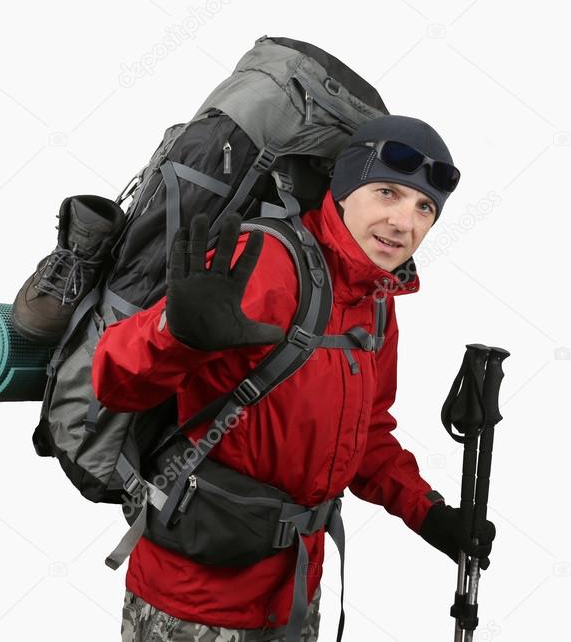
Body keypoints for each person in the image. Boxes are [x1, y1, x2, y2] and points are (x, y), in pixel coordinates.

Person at [92, 115, 497, 642]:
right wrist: (177, 334)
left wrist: (428, 513)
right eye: (387, 193)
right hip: (193, 602)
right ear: (344, 191)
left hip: (294, 599)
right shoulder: (267, 263)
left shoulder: (375, 304)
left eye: (425, 207)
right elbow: (113, 381)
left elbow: (368, 434)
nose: (405, 222)